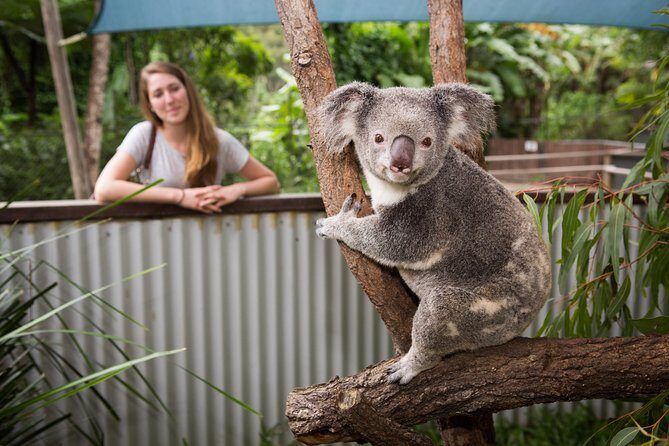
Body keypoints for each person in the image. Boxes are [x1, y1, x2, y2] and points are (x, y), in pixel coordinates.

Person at [94, 61, 280, 213]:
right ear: (150, 104)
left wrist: (236, 190)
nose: (169, 100)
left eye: (174, 88)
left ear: (187, 91)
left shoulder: (219, 140)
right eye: (158, 94)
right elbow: (104, 189)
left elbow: (271, 182)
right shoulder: (143, 135)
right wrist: (180, 197)